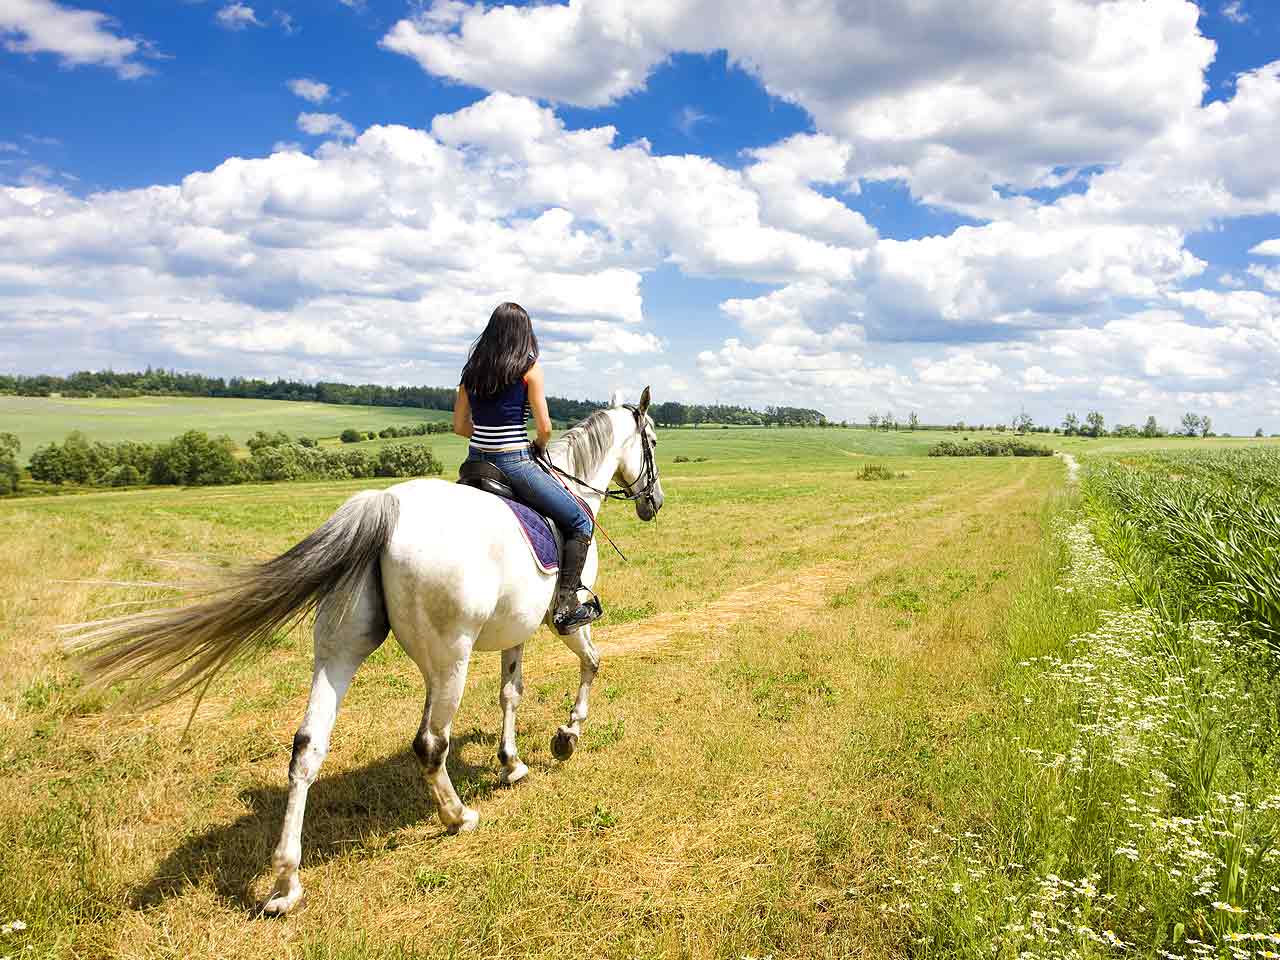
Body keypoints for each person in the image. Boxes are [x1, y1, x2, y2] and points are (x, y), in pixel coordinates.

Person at [453, 302, 601, 633]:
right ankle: (566, 604)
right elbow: (545, 428)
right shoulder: (529, 370)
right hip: (514, 463)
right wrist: (538, 446)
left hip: (474, 464)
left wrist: (486, 435)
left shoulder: (471, 372)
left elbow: (459, 426)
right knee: (580, 520)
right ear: (524, 333)